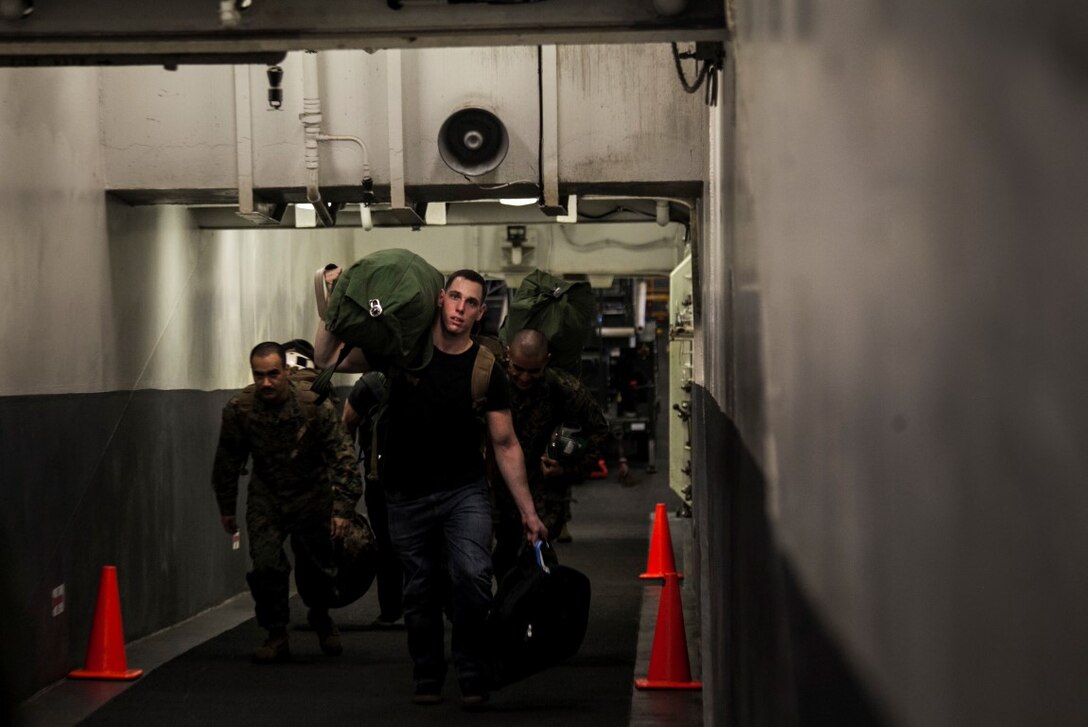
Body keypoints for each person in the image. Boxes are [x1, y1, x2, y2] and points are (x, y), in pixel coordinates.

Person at [318, 267, 547, 708]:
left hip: (465, 492)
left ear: (480, 313)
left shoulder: (486, 369)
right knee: (419, 589)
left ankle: (471, 668)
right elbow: (328, 357)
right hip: (405, 493)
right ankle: (427, 671)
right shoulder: (402, 349)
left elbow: (505, 443)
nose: (460, 308)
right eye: (455, 297)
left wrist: (528, 511)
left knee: (473, 577)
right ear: (441, 298)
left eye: (471, 302)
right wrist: (337, 298)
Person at [211, 341, 363, 663]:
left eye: (273, 374)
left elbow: (343, 457)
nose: (266, 382)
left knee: (318, 568)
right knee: (266, 566)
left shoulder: (314, 405)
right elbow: (227, 460)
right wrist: (226, 506)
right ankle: (276, 633)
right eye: (259, 375)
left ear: (286, 371)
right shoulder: (241, 408)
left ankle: (320, 615)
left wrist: (342, 510)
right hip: (267, 497)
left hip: (312, 495)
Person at [491, 329, 613, 579]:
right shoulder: (493, 381)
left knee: (536, 548)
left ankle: (540, 597)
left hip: (544, 485)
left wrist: (568, 469)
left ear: (546, 361)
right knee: (504, 551)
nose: (525, 378)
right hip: (499, 482)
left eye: (533, 371)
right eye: (518, 369)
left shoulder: (563, 389)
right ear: (508, 356)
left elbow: (600, 430)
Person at [341, 370, 404, 629]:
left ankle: (392, 610)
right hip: (389, 478)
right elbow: (346, 426)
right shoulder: (371, 384)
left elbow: (346, 426)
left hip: (381, 476)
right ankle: (404, 609)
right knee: (396, 543)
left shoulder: (370, 383)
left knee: (388, 543)